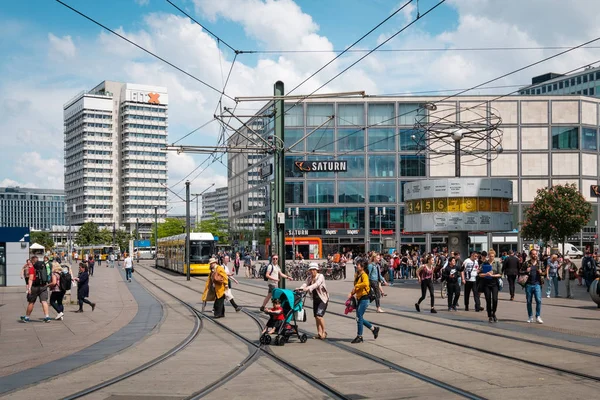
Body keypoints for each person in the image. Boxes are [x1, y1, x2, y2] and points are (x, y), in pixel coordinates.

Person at [348, 260, 380, 344]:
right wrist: (352, 293)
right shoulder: (357, 275)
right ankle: (373, 329)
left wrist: (357, 286)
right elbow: (356, 287)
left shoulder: (364, 275)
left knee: (359, 317)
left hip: (365, 298)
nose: (357, 266)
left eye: (358, 265)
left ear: (362, 267)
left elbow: (365, 284)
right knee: (359, 318)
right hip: (359, 298)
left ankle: (359, 336)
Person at [299, 263, 329, 339]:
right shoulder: (309, 278)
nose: (312, 271)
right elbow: (305, 284)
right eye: (311, 270)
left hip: (323, 299)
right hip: (315, 299)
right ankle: (319, 333)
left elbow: (317, 284)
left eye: (314, 270)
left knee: (319, 316)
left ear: (317, 270)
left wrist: (308, 288)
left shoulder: (320, 276)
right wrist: (300, 288)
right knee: (316, 317)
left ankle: (324, 332)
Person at [20, 256, 51, 323]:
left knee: (31, 302)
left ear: (32, 261)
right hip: (43, 286)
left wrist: (29, 288)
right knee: (44, 301)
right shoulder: (43, 267)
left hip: (34, 287)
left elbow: (30, 279)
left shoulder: (32, 268)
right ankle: (47, 317)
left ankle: (27, 317)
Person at [519, 249, 545, 324]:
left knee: (538, 300)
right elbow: (520, 271)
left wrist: (541, 272)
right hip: (528, 285)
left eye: (536, 254)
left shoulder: (540, 263)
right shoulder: (526, 263)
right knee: (529, 301)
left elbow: (544, 273)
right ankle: (530, 316)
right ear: (530, 255)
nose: (535, 255)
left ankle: (538, 316)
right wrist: (526, 271)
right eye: (533, 254)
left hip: (537, 284)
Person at [479, 251, 501, 323]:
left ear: (494, 256)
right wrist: (486, 274)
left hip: (494, 283)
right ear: (488, 256)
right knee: (488, 300)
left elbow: (500, 274)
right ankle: (490, 316)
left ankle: (494, 313)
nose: (491, 257)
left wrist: (493, 275)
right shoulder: (484, 264)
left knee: (495, 299)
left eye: (492, 256)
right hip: (486, 284)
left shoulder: (497, 263)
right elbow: (479, 274)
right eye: (490, 256)